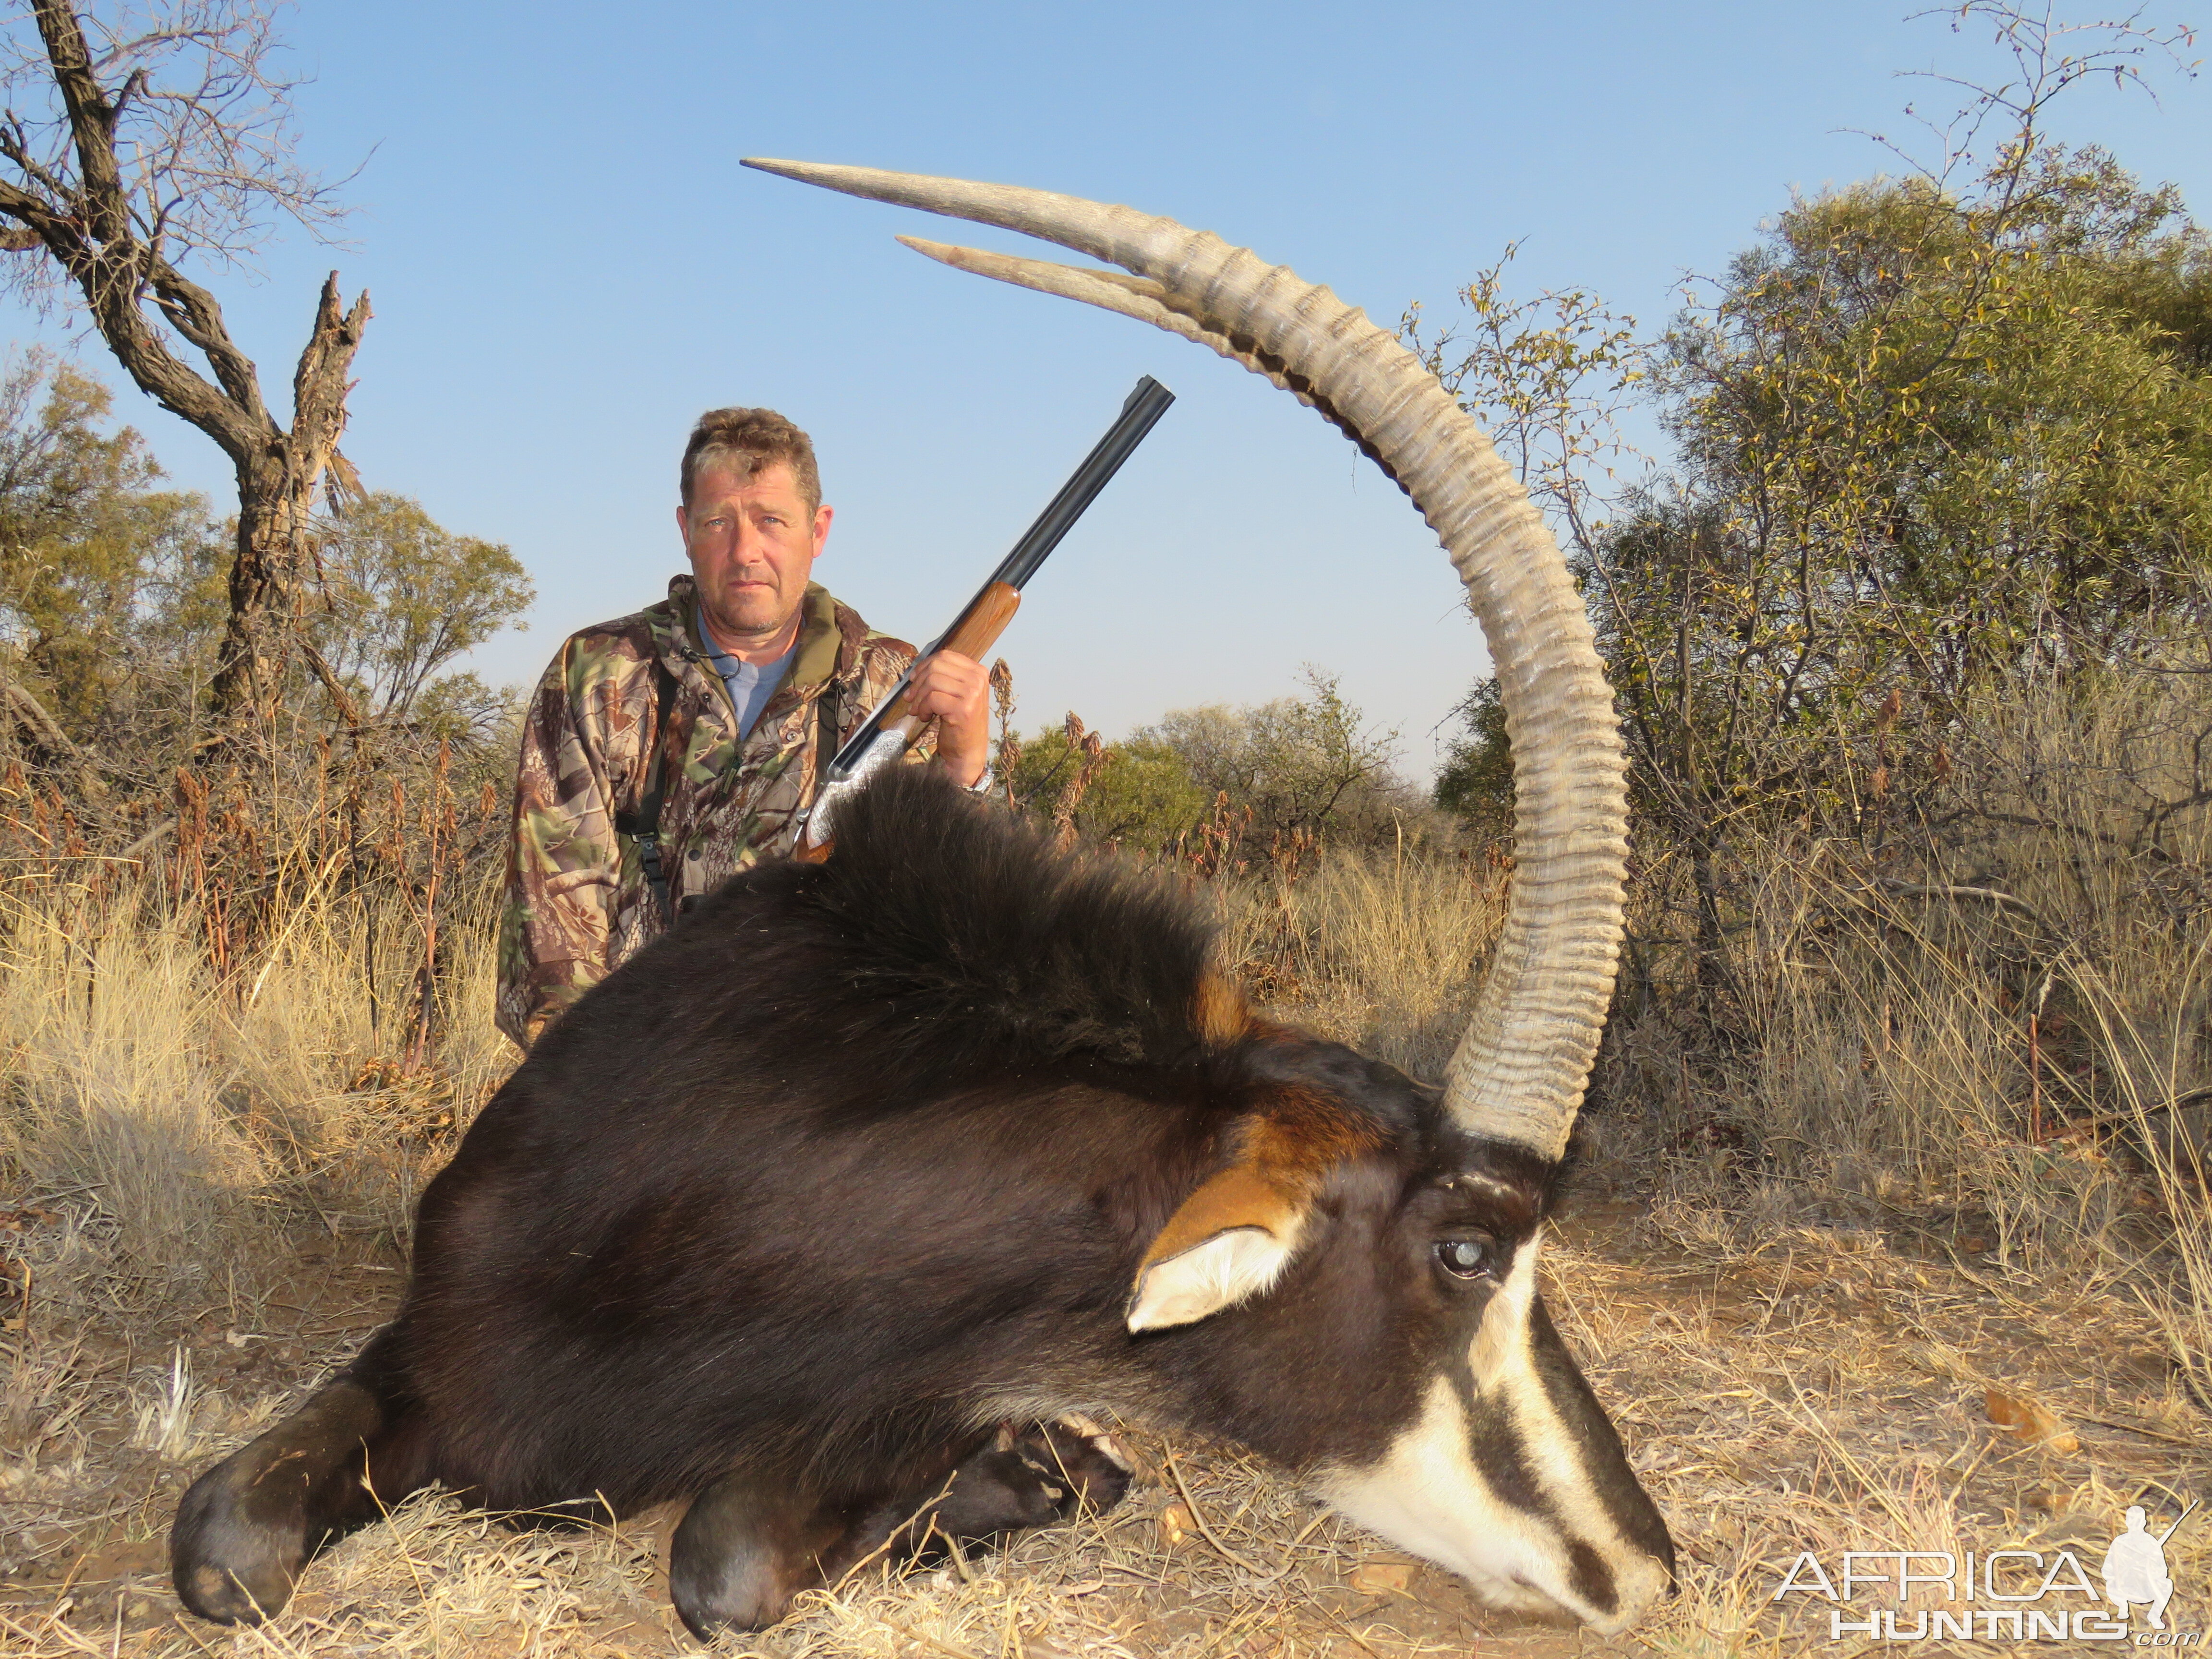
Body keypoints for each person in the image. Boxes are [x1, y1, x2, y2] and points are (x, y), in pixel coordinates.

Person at [495, 406, 990, 1048]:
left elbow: (953, 924)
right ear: (685, 529)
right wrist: (613, 1096)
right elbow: (554, 935)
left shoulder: (894, 686)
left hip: (821, 1081)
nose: (745, 551)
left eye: (771, 522)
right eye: (718, 522)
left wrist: (965, 767)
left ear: (819, 529)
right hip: (632, 1072)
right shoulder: (601, 673)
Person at [2101, 1505, 2177, 1629]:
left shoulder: (2151, 1542)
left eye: (2138, 1521)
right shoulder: (2119, 1542)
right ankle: (2123, 1609)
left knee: (2167, 1585)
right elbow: (2107, 1569)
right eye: (2132, 1520)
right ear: (2127, 1522)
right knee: (2111, 1585)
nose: (2135, 1524)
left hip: (2145, 1589)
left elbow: (2162, 1570)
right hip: (2123, 1589)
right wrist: (2119, 1574)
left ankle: (2155, 1615)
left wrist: (2148, 1568)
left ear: (2144, 1522)